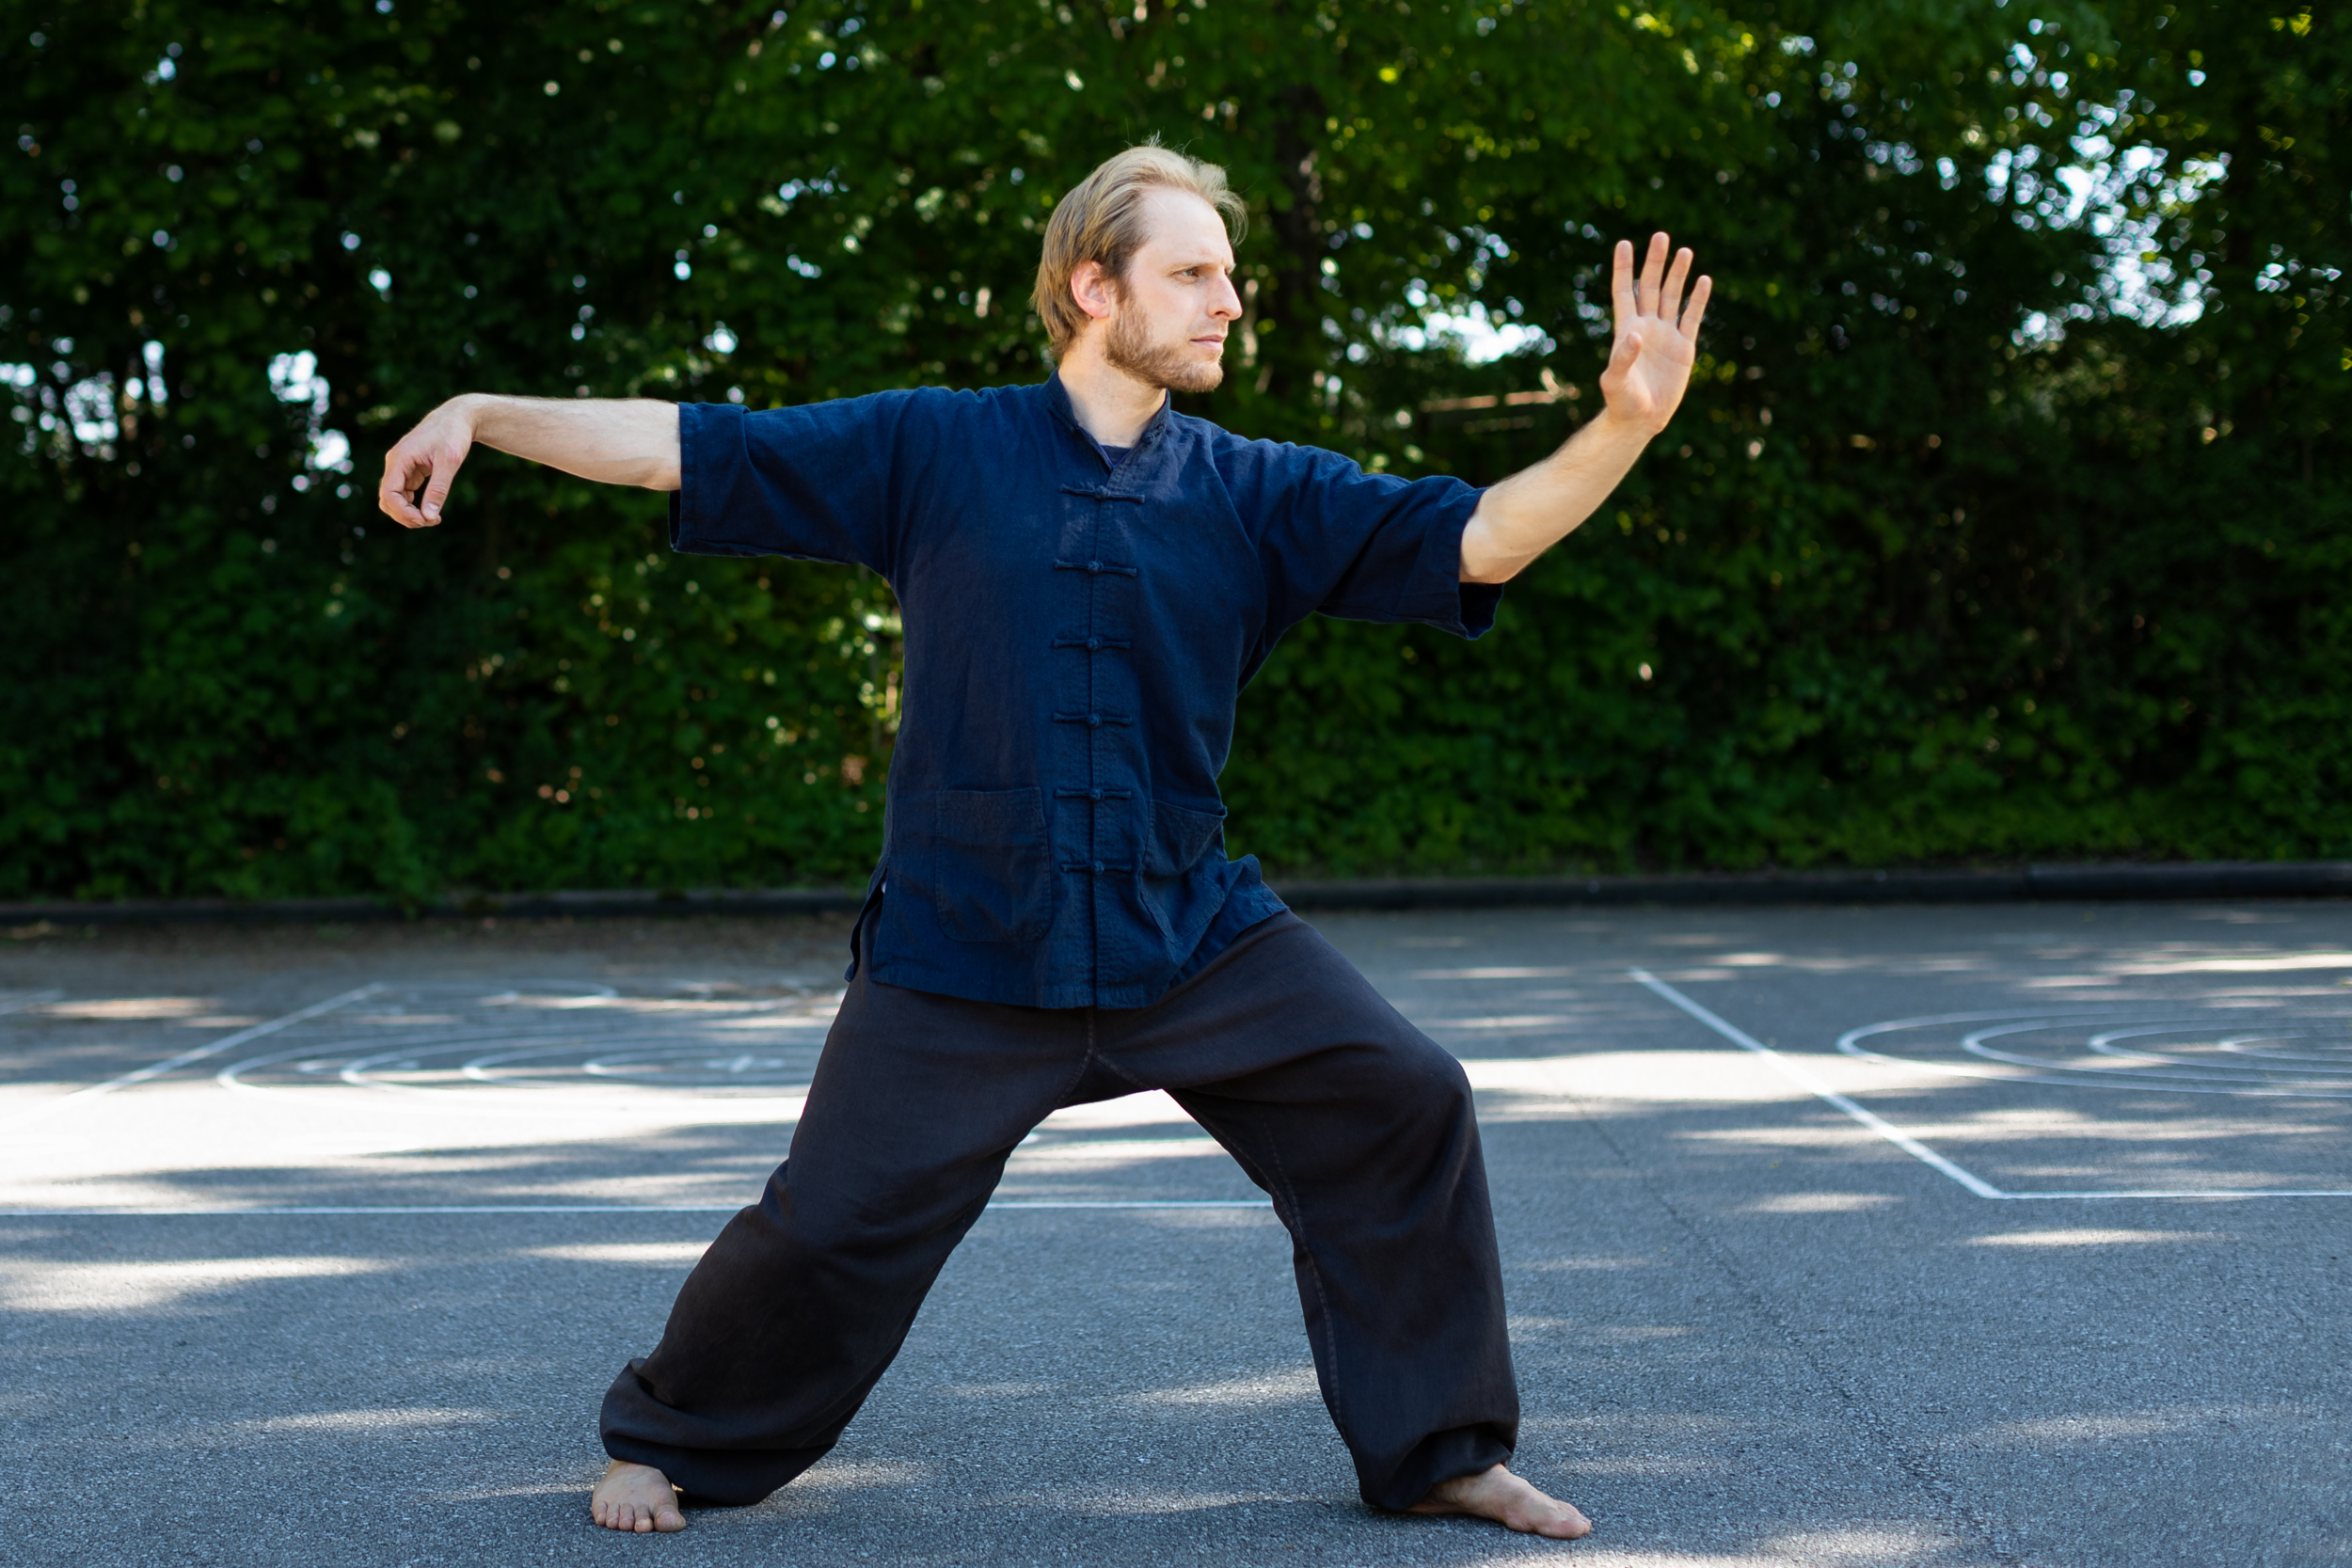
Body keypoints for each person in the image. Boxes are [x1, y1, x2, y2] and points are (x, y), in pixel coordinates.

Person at [379, 143, 1709, 1543]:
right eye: (1193, 273)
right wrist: (482, 410)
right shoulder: (931, 446)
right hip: (965, 942)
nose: (1228, 301)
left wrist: (1624, 422)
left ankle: (1440, 1449)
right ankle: (663, 1439)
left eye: (1232, 274)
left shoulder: (1258, 488)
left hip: (1185, 933)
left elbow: (1486, 539)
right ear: (1092, 287)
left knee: (1405, 1097)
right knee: (830, 1223)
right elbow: (693, 446)